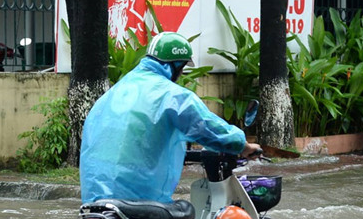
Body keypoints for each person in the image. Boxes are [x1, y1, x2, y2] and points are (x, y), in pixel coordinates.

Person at [80, 31, 262, 204]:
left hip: (94, 202)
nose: (181, 74)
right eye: (182, 68)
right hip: (139, 199)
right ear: (175, 65)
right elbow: (207, 128)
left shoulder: (113, 94)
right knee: (183, 216)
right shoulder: (172, 96)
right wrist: (242, 145)